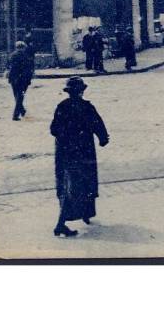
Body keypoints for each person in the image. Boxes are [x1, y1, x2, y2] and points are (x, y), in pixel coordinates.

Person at [49, 77, 109, 237]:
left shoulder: (62, 107)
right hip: (83, 152)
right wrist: (103, 138)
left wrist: (66, 139)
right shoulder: (86, 107)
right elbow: (98, 124)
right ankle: (60, 225)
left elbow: (54, 129)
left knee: (70, 185)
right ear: (81, 91)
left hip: (66, 153)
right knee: (80, 185)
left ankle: (86, 213)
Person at [7, 40, 34, 121]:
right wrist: (28, 80)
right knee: (20, 97)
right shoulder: (26, 56)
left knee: (17, 95)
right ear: (23, 48)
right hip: (22, 79)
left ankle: (22, 111)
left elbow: (8, 67)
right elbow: (28, 70)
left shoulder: (11, 55)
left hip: (13, 79)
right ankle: (15, 115)